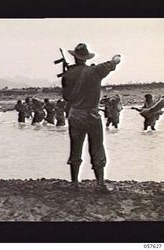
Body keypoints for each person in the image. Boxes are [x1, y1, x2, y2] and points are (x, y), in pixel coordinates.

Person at [61, 43, 121, 193]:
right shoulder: (95, 71)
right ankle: (100, 183)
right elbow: (115, 61)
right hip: (91, 114)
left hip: (75, 115)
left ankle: (74, 183)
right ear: (86, 58)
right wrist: (116, 58)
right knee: (97, 147)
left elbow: (66, 96)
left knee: (76, 147)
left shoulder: (68, 74)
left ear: (74, 57)